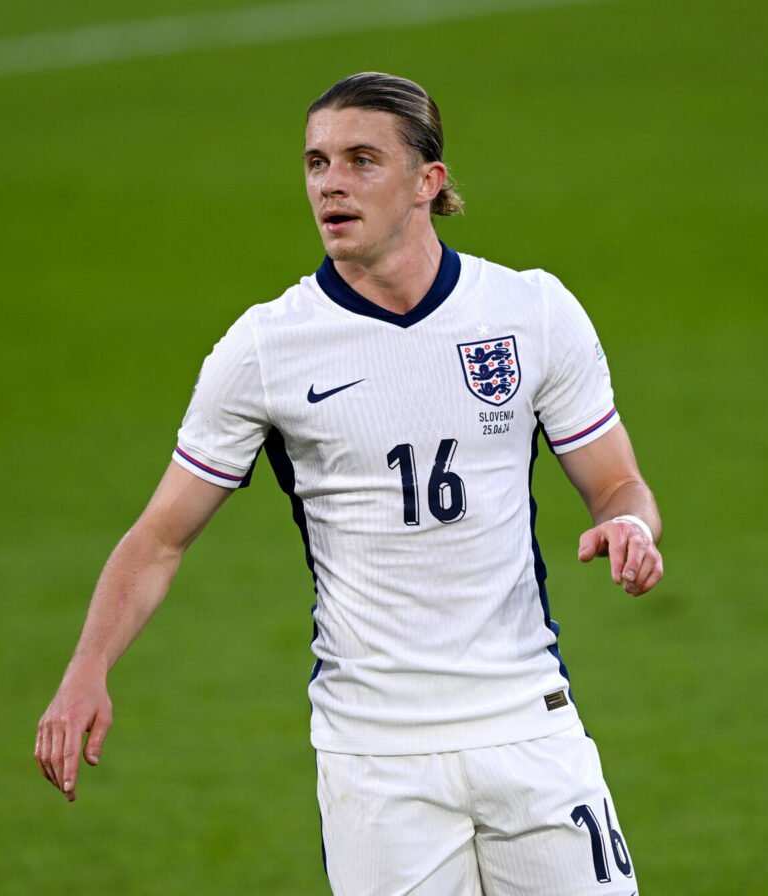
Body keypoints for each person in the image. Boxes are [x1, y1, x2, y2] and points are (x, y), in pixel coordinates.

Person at [36, 72, 663, 895]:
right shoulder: (267, 349)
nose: (330, 182)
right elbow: (160, 537)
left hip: (529, 728)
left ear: (426, 183)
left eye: (362, 160)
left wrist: (632, 526)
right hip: (376, 759)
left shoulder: (529, 313)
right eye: (316, 162)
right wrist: (88, 669)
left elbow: (618, 482)